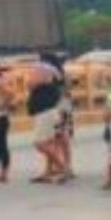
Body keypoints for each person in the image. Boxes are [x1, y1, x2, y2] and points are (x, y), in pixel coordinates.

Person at [27, 53, 67, 184]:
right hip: (49, 110)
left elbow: (30, 84)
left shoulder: (45, 74)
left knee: (40, 143)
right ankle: (48, 172)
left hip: (45, 112)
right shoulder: (54, 75)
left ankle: (62, 167)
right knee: (50, 142)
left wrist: (32, 79)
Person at [47, 52, 76, 183]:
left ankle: (65, 168)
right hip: (65, 107)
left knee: (60, 138)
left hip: (60, 108)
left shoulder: (55, 76)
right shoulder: (63, 74)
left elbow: (64, 92)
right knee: (58, 139)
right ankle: (60, 166)